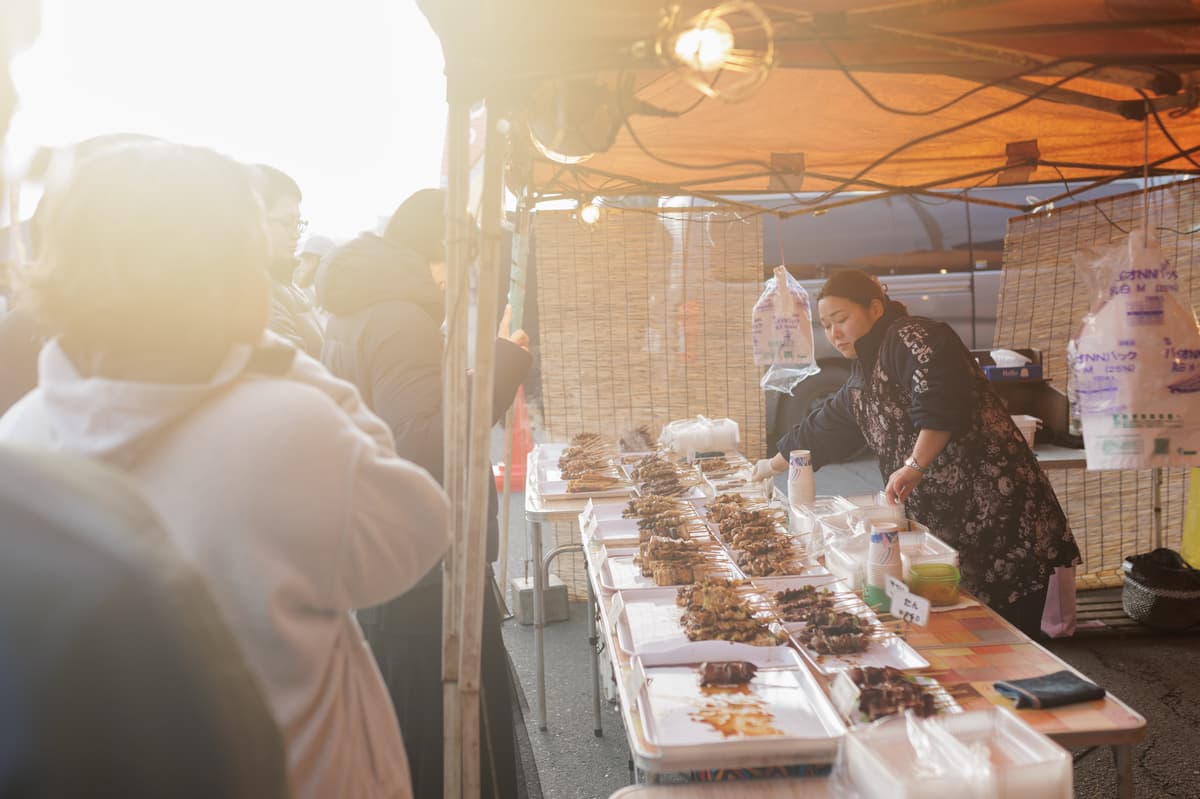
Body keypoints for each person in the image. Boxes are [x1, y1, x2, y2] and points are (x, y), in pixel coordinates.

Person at [0, 139, 451, 798]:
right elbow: (419, 531)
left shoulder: (20, 439)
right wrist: (273, 357)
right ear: (230, 267)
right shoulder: (291, 424)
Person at [317, 187, 531, 798]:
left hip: (389, 553)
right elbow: (428, 442)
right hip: (426, 563)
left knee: (414, 733)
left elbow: (400, 415)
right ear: (440, 252)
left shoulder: (357, 309)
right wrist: (499, 367)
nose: (463, 280)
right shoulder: (399, 318)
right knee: (449, 738)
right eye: (464, 261)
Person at [752, 270, 1080, 636]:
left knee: (1010, 636)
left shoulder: (912, 336)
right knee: (961, 630)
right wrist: (769, 466)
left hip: (998, 516)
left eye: (842, 319)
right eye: (827, 325)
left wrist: (914, 464)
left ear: (875, 308)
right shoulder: (864, 372)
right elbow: (821, 429)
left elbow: (940, 399)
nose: (834, 333)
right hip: (947, 529)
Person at [252, 163, 324, 358]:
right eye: (287, 222)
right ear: (253, 221)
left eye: (298, 223)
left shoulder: (286, 284)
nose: (296, 235)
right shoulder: (257, 297)